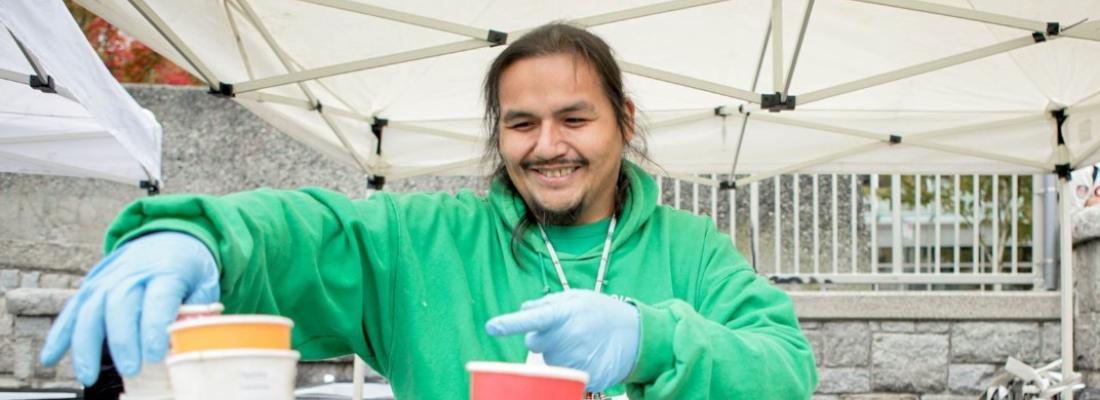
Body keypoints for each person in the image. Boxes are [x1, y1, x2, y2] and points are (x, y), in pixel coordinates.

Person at [40, 23, 817, 399]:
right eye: (520, 124)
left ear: (626, 121)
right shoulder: (427, 241)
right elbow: (312, 233)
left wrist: (652, 339)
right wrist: (195, 236)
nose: (548, 145)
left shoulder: (694, 249)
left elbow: (786, 369)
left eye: (575, 119)